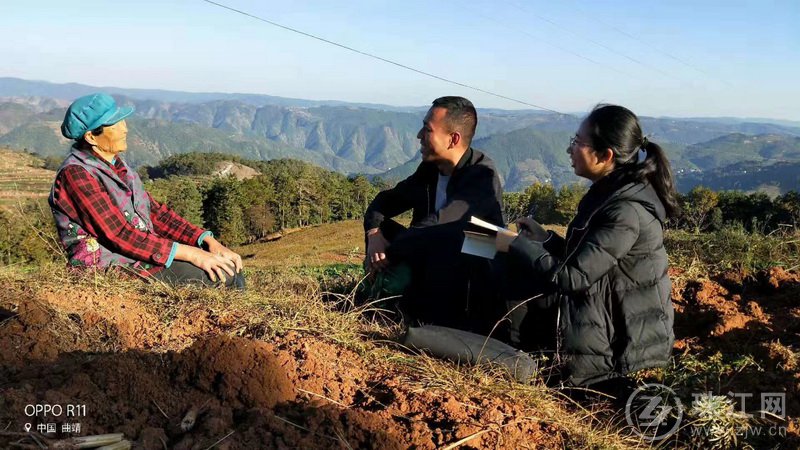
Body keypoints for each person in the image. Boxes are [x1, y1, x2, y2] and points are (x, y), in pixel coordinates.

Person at [495, 104, 678, 394]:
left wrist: (516, 244)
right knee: (514, 267)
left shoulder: (624, 210)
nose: (570, 149)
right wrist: (544, 239)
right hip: (605, 312)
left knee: (513, 270)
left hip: (623, 346)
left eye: (578, 142)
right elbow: (588, 258)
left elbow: (573, 277)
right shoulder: (609, 193)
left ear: (605, 156)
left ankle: (519, 360)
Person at [49, 93, 244, 289]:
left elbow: (154, 212)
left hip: (137, 256)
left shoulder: (118, 167)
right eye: (115, 124)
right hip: (109, 267)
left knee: (230, 266)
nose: (125, 129)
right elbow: (119, 234)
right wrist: (192, 254)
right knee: (224, 275)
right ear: (91, 136)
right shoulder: (76, 175)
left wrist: (206, 240)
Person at [364, 96, 504, 331]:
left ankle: (412, 309)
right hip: (429, 251)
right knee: (385, 227)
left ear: (453, 139)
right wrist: (374, 233)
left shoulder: (481, 175)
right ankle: (388, 299)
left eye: (427, 129)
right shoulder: (431, 169)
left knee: (447, 240)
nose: (419, 135)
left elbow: (441, 225)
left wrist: (393, 254)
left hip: (469, 269)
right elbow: (386, 200)